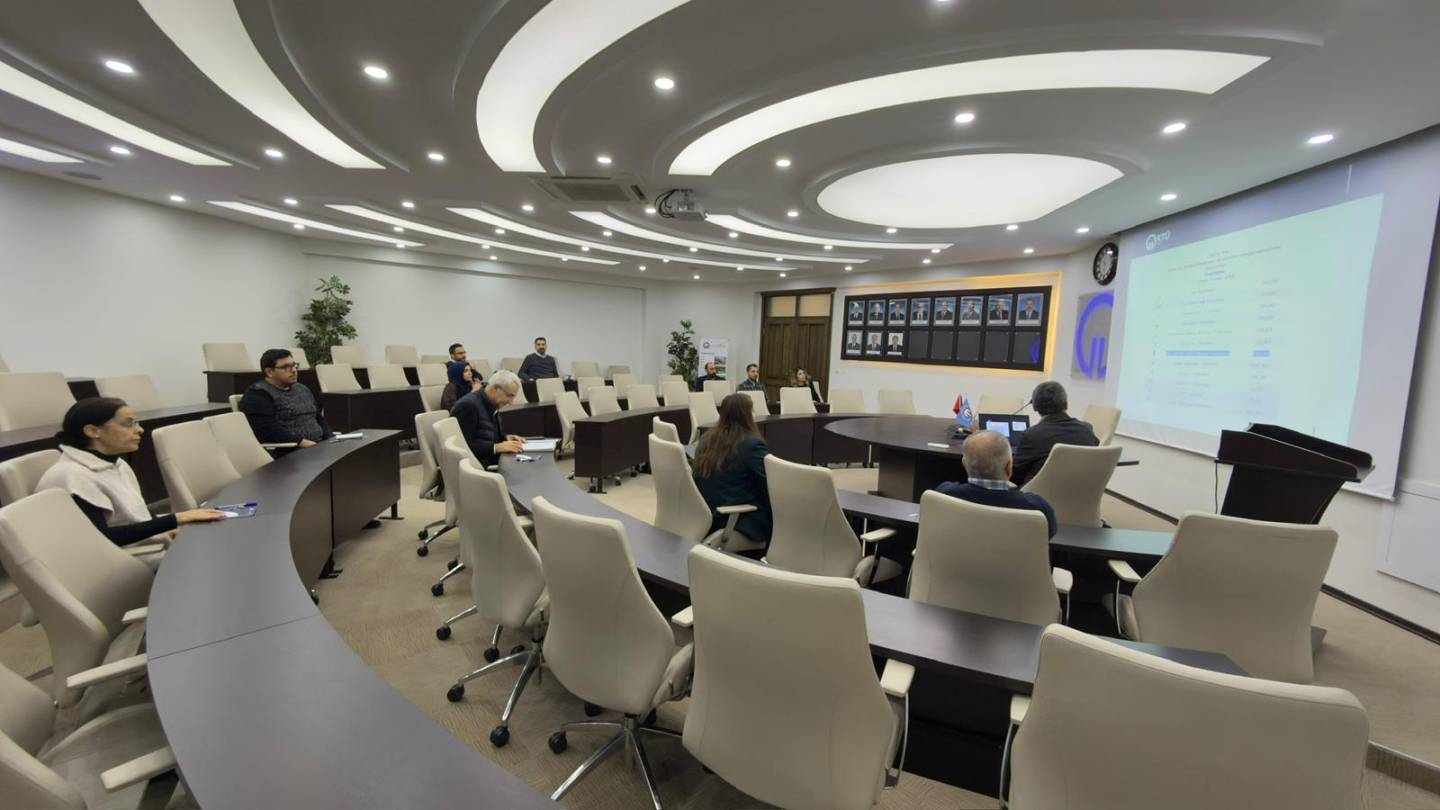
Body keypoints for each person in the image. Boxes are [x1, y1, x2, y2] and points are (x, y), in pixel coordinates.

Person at [37, 398, 227, 546]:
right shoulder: (73, 476)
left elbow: (136, 516)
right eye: (128, 424)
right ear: (93, 431)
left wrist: (167, 529)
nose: (140, 430)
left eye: (137, 423)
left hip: (146, 545)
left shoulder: (117, 463)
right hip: (124, 562)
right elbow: (102, 539)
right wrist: (176, 519)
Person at [936, 430, 1057, 538]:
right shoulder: (1037, 507)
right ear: (1009, 468)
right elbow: (1049, 535)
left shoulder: (944, 494)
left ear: (964, 465)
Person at [693, 394, 772, 548]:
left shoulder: (705, 439)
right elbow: (769, 485)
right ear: (747, 415)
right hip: (738, 520)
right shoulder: (752, 445)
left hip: (707, 515)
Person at [1011, 381, 1099, 485]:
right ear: (1066, 404)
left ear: (1034, 406)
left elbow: (1015, 477)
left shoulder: (1032, 435)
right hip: (1081, 491)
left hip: (1038, 494)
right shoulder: (1087, 430)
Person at [239, 348, 331, 447]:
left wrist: (330, 438)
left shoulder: (302, 388)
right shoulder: (258, 395)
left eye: (294, 365)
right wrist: (303, 442)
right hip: (290, 450)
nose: (294, 370)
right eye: (286, 367)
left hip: (318, 446)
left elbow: (318, 418)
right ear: (269, 371)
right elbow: (267, 431)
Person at [452, 369, 527, 467]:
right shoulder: (468, 406)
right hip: (480, 467)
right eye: (509, 396)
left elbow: (486, 433)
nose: (511, 402)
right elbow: (462, 445)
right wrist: (496, 447)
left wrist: (505, 437)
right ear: (495, 388)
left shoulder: (492, 402)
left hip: (493, 460)